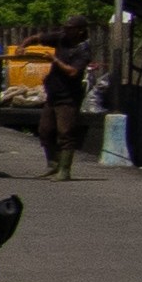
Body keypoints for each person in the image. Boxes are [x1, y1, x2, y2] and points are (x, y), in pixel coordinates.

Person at [38, 26, 98, 180]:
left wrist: (55, 60)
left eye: (70, 28)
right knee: (45, 130)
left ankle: (64, 170)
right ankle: (53, 164)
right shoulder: (61, 39)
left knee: (65, 133)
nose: (66, 31)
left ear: (79, 31)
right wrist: (23, 46)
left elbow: (72, 71)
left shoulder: (83, 50)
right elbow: (37, 37)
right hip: (53, 95)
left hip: (68, 98)